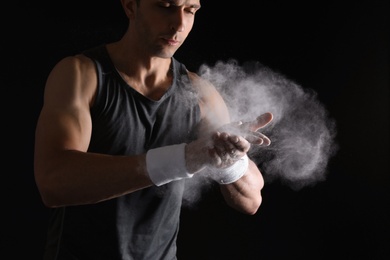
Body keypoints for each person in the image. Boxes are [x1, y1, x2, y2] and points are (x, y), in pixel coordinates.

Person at [34, 0, 274, 259]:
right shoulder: (81, 75)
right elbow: (54, 182)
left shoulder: (199, 94)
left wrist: (230, 161)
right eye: (166, 6)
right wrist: (184, 158)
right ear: (130, 7)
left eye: (190, 10)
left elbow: (251, 201)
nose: (179, 24)